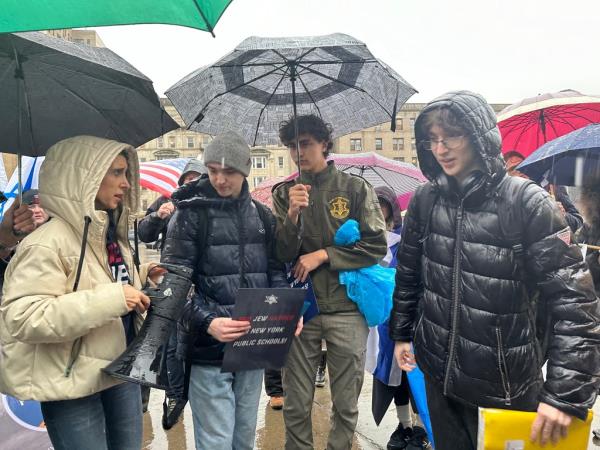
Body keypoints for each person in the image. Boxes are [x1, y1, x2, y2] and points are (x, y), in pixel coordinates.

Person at [391, 91, 600, 450]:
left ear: (478, 136)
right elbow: (409, 274)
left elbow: (576, 304)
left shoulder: (526, 202)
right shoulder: (426, 200)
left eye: (452, 136)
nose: (442, 149)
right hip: (439, 377)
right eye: (434, 139)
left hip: (506, 387)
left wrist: (565, 395)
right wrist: (402, 334)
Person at [0, 136, 153, 450]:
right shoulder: (46, 242)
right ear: (86, 177)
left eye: (126, 173)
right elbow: (24, 317)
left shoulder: (112, 233)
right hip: (71, 384)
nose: (126, 183)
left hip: (120, 370)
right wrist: (114, 298)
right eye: (116, 173)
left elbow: (103, 284)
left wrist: (142, 278)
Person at [161, 131, 291, 450]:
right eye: (213, 170)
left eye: (228, 171)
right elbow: (172, 284)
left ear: (245, 169)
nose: (220, 179)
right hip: (207, 345)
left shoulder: (263, 216)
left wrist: (286, 311)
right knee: (216, 440)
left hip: (252, 344)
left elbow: (276, 271)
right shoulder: (189, 214)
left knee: (243, 437)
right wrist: (208, 322)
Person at [272, 114, 387, 450]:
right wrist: (292, 214)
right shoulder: (284, 194)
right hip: (301, 309)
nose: (298, 152)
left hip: (347, 307)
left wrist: (323, 255)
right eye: (292, 146)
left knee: (346, 402)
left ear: (324, 143)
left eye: (305, 143)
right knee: (295, 402)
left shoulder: (354, 189)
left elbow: (375, 245)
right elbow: (280, 251)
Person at [137, 158, 206, 429]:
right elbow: (144, 232)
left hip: (204, 283)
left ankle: (197, 392)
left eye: (196, 178)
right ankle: (175, 395)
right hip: (174, 280)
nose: (191, 182)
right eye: (187, 179)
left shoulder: (211, 205)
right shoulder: (168, 200)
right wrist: (157, 216)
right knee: (174, 344)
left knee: (199, 342)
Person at [366, 187, 429, 450]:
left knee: (414, 377)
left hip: (409, 318)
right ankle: (404, 427)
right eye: (374, 205)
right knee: (392, 381)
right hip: (380, 324)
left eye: (383, 205)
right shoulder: (367, 240)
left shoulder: (407, 239)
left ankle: (421, 429)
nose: (379, 210)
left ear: (392, 208)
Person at [504, 150, 583, 232]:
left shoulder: (551, 187)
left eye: (523, 167)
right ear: (505, 175)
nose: (521, 171)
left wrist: (562, 216)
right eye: (514, 169)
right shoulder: (499, 200)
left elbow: (577, 221)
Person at [138, 158, 206, 250]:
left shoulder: (213, 203)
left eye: (198, 178)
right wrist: (157, 217)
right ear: (183, 181)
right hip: (173, 261)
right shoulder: (166, 201)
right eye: (190, 178)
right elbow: (145, 236)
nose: (194, 181)